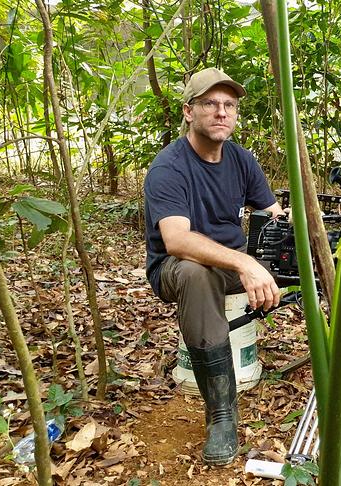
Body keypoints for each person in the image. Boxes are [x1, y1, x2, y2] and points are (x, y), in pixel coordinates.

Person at [143, 67, 284, 466]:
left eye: (229, 105)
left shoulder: (241, 159)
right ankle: (222, 412)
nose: (221, 112)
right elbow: (177, 240)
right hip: (176, 268)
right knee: (196, 272)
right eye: (210, 104)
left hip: (231, 264)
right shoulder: (169, 166)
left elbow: (272, 214)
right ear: (189, 112)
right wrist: (245, 263)